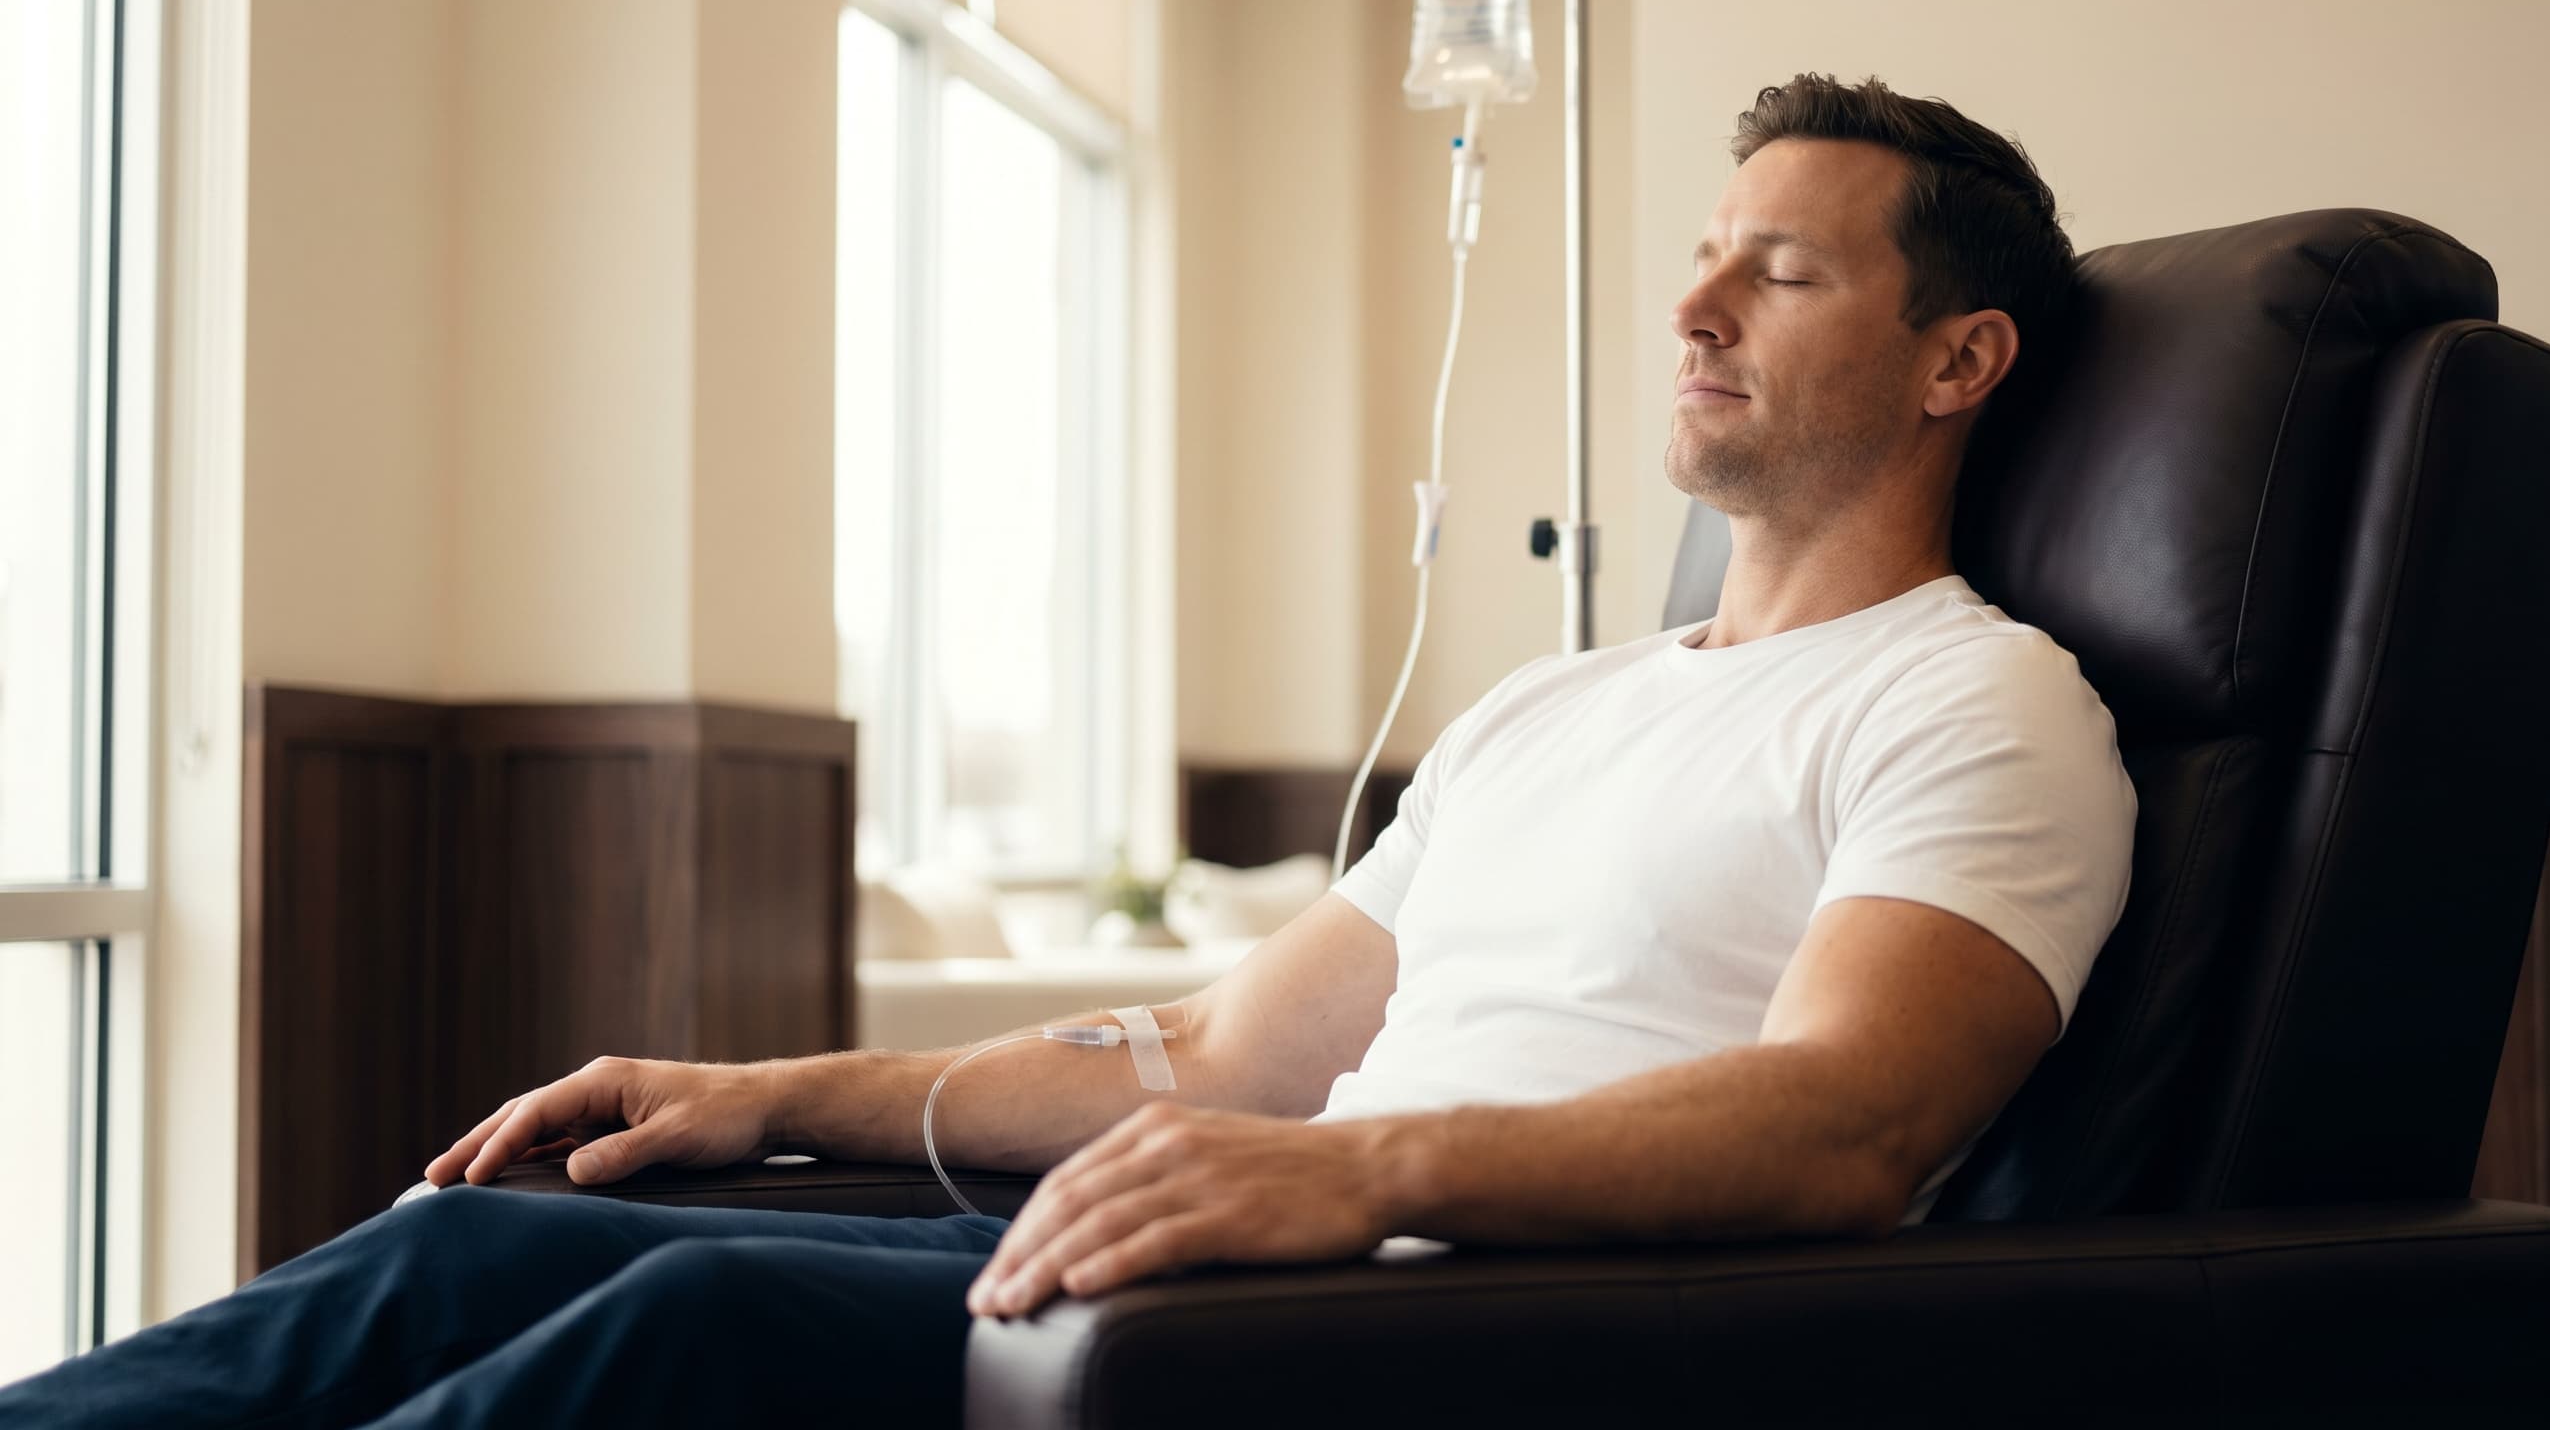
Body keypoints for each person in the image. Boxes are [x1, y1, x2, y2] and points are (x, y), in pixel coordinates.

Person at [0, 73, 2134, 1428]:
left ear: (1958, 359)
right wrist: (767, 1095)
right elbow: (1217, 1052)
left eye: (1779, 273)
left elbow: (1847, 1124)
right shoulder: (1553, 702)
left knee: (678, 1331)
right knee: (469, 1243)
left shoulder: (1978, 701)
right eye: (1700, 259)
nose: (1692, 309)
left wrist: (1360, 1170)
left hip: (1430, 1320)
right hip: (1218, 1241)